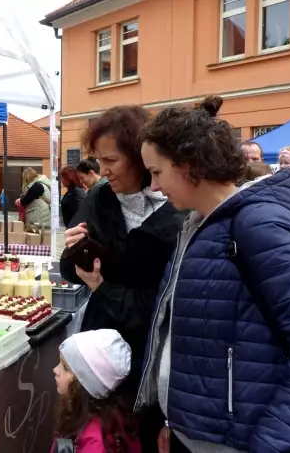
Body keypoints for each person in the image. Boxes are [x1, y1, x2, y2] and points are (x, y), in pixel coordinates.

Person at [139, 96, 290, 453]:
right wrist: (174, 422)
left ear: (190, 165)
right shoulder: (199, 224)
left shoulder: (258, 226)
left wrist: (271, 443)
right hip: (197, 434)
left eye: (157, 172)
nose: (154, 186)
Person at [59, 105, 185, 453]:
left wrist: (102, 286)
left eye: (111, 160)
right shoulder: (101, 196)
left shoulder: (179, 209)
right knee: (100, 432)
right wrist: (74, 252)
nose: (103, 170)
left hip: (150, 353)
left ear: (140, 157)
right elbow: (71, 271)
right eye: (99, 160)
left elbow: (158, 308)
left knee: (140, 435)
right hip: (103, 344)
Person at [53, 330, 141, 453]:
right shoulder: (79, 414)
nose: (55, 370)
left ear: (86, 384)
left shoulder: (95, 443)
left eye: (65, 368)